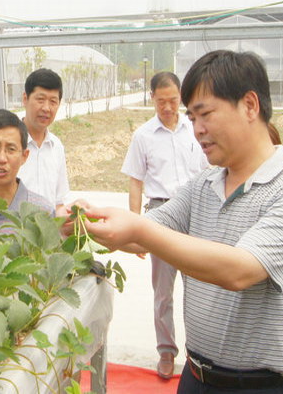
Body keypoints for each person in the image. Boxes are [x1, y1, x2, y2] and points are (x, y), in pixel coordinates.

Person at [82, 50, 283, 393]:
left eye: (206, 115)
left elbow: (239, 270)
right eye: (192, 117)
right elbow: (149, 232)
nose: (197, 130)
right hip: (196, 378)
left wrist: (138, 227)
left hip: (265, 387)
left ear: (250, 106)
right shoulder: (203, 186)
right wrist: (87, 219)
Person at [121, 71, 208, 379]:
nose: (168, 107)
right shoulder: (143, 136)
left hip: (196, 211)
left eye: (173, 100)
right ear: (152, 99)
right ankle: (166, 352)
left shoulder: (195, 129)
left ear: (181, 96)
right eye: (161, 102)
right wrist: (135, 229)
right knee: (163, 291)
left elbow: (212, 171)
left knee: (200, 287)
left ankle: (199, 352)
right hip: (161, 214)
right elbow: (135, 181)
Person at [17, 68, 70, 213]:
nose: (46, 108)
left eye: (53, 101)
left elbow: (59, 203)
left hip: (48, 227)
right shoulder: (9, 144)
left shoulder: (56, 147)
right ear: (25, 99)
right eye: (40, 100)